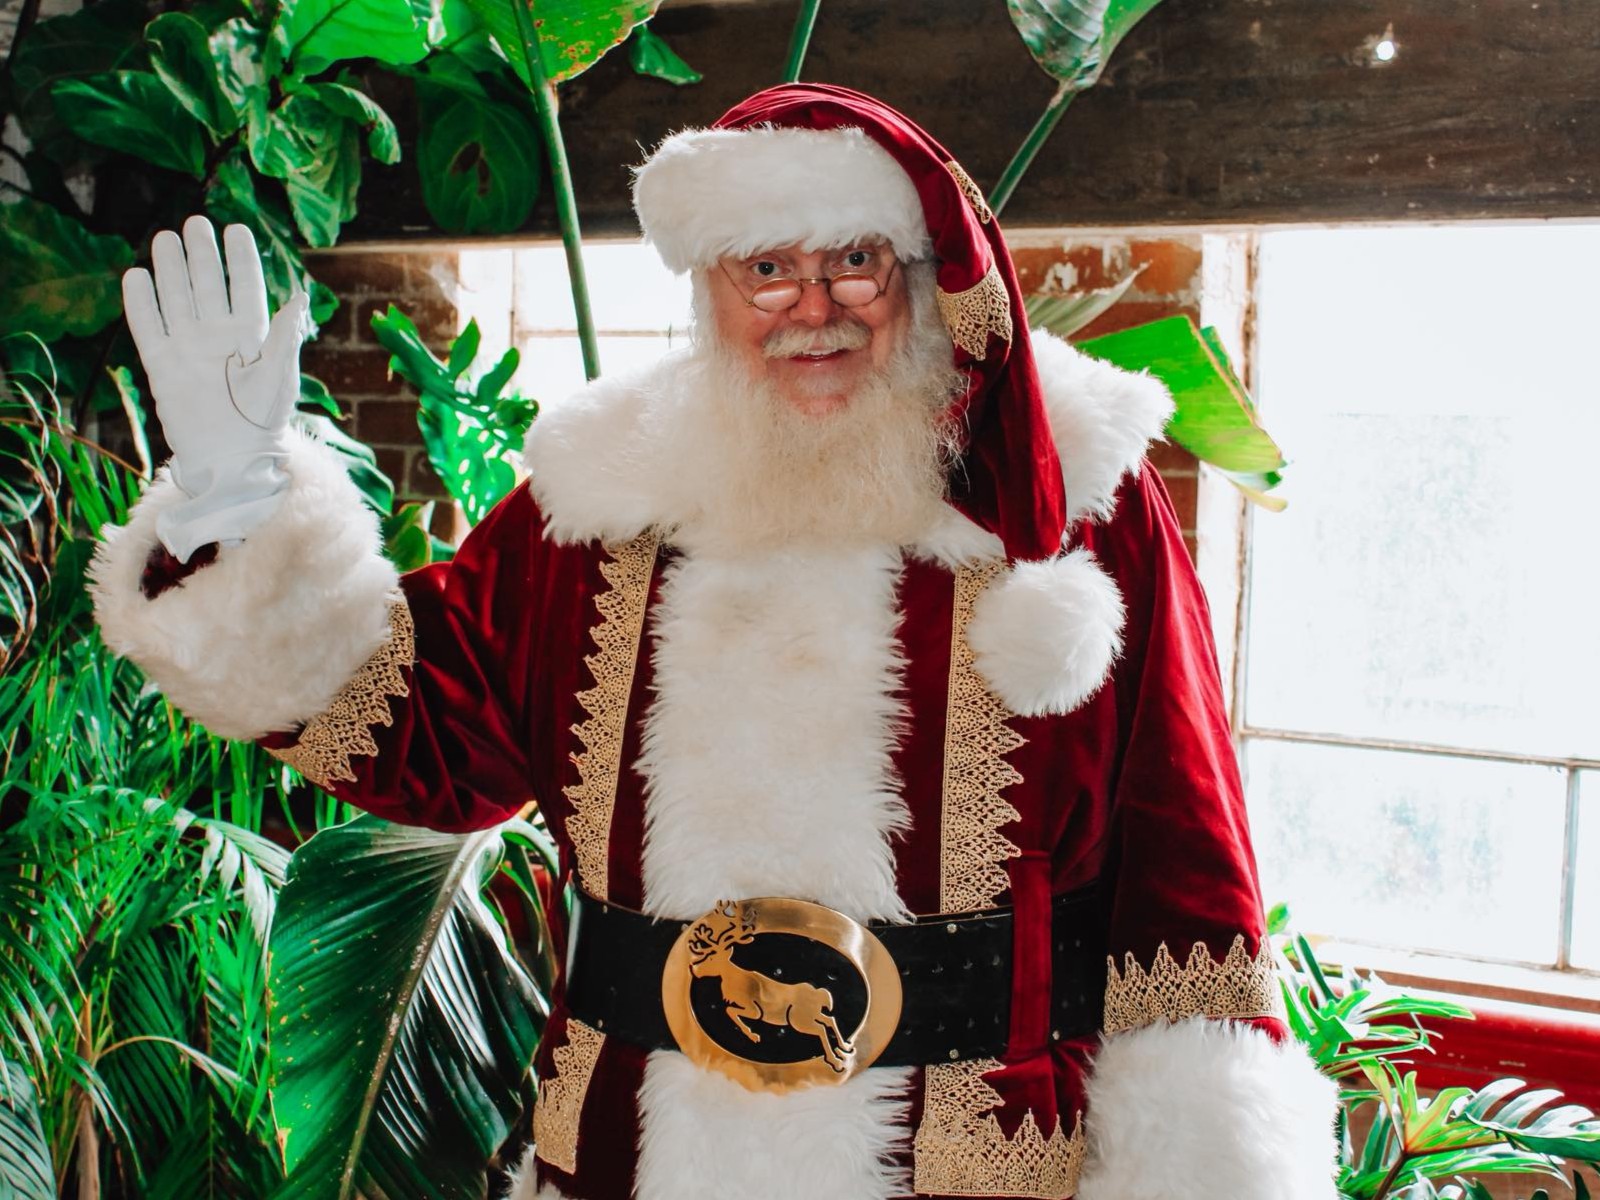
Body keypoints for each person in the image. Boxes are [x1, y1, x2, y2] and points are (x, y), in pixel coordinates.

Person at [90, 84, 1338, 1200]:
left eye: (855, 260)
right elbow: (419, 731)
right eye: (765, 270)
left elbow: (1184, 839)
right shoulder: (597, 501)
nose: (814, 309)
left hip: (973, 1153)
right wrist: (235, 502)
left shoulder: (1071, 501)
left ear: (921, 269)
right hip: (640, 1144)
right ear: (707, 290)